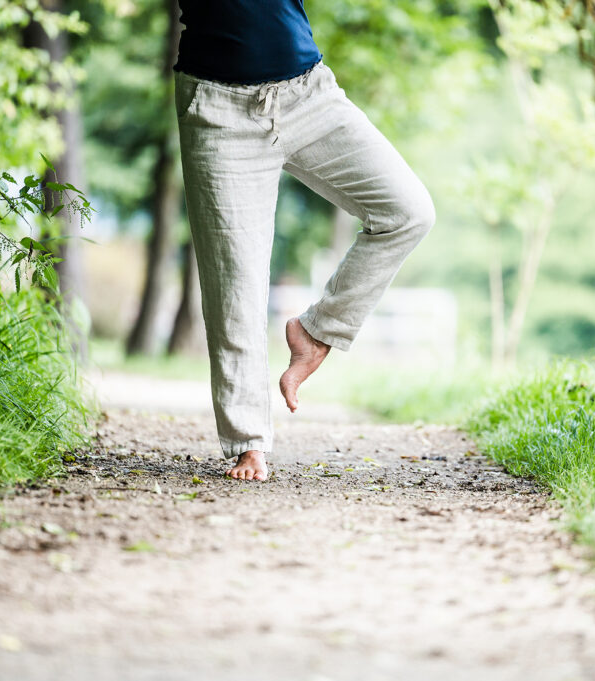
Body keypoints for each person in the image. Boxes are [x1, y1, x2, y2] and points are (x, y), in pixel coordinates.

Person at [173, 0, 436, 481]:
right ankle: (249, 442)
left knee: (406, 211)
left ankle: (317, 334)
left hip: (309, 95)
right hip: (218, 111)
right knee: (236, 286)